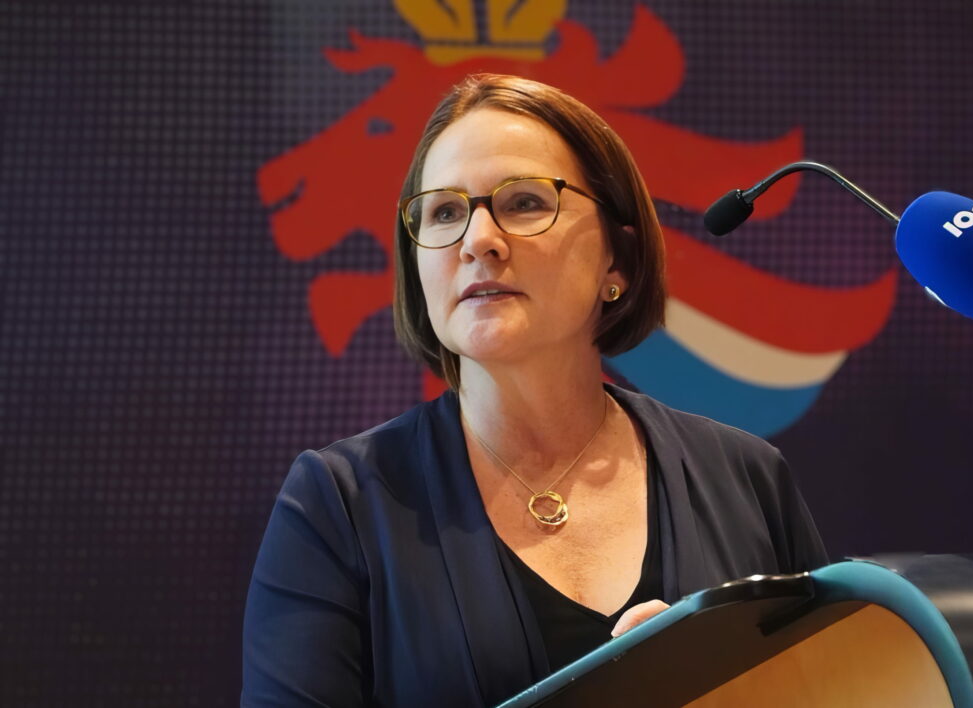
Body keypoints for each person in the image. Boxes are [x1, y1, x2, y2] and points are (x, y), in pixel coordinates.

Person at [241, 74, 827, 707]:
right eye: (444, 212)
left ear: (617, 259)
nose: (478, 241)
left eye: (523, 202)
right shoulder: (339, 505)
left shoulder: (748, 480)